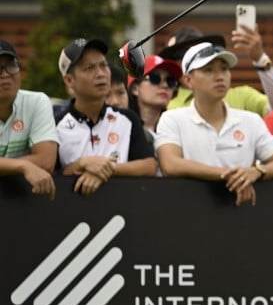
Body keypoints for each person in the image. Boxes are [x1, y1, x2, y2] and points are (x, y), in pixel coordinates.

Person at [156, 42, 273, 206]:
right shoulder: (172, 118)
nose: (219, 76)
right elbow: (171, 164)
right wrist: (234, 176)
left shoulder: (251, 120)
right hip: (188, 212)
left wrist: (257, 172)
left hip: (241, 214)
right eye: (209, 70)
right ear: (188, 80)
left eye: (224, 69)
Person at [55, 38, 157, 194]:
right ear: (69, 80)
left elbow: (149, 166)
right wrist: (83, 164)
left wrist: (106, 169)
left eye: (103, 65)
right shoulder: (56, 126)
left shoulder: (127, 119)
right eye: (89, 68)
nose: (101, 74)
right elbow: (50, 175)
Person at [159, 26, 273, 115]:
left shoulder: (243, 96)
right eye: (181, 56)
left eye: (223, 68)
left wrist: (261, 59)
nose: (219, 75)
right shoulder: (165, 107)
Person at [0, 38, 57, 199]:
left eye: (11, 65)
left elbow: (46, 161)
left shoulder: (37, 101)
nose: (5, 74)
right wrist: (23, 166)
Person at [128, 54, 183, 140]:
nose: (165, 85)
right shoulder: (122, 128)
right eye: (155, 78)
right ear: (135, 89)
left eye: (170, 81)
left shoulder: (177, 131)